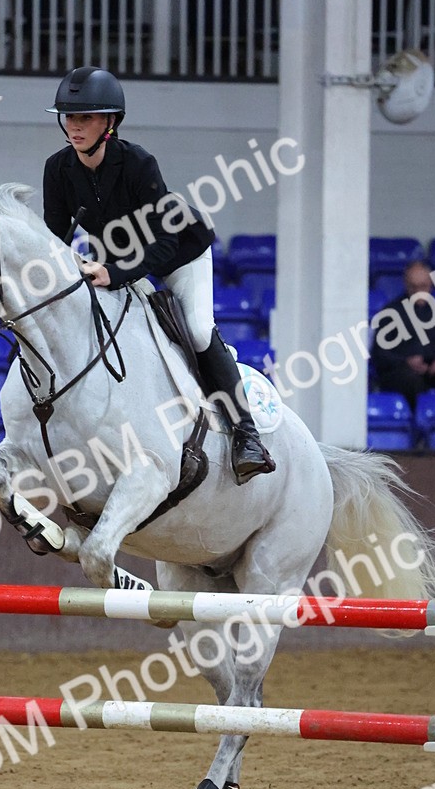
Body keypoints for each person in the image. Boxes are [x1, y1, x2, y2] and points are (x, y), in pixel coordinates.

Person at [42, 65, 275, 483]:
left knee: (199, 331)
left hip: (179, 254)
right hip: (116, 258)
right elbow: (56, 238)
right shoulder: (58, 169)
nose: (74, 127)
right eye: (70, 117)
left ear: (110, 123)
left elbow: (164, 245)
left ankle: (246, 435)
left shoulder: (138, 164)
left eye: (86, 118)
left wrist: (113, 274)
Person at [371, 260, 435, 408]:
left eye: (423, 286)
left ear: (430, 284)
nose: (418, 292)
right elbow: (380, 354)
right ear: (406, 284)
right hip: (402, 373)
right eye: (413, 287)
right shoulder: (391, 313)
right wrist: (405, 362)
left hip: (434, 372)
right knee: (410, 380)